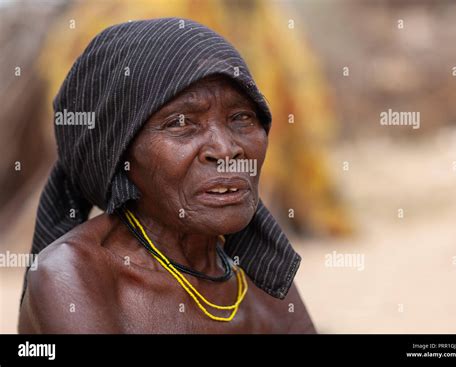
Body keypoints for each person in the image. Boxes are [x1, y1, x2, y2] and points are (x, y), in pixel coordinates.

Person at [18, 18, 316, 334]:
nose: (226, 150)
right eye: (180, 124)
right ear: (119, 155)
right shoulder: (77, 275)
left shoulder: (259, 271)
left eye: (241, 117)